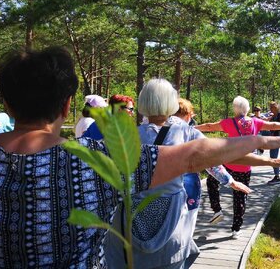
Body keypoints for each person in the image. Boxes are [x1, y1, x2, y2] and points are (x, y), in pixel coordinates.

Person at [0, 46, 280, 268]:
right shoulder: (93, 162)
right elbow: (199, 156)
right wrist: (265, 143)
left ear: (8, 104)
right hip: (166, 235)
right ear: (66, 106)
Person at [105, 82, 256, 269]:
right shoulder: (186, 132)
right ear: (171, 103)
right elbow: (213, 160)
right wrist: (230, 181)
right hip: (172, 225)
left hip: (128, 227)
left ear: (143, 102)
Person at [196, 96, 280, 238]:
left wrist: (192, 128)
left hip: (227, 163)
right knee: (240, 196)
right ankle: (236, 229)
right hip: (245, 165)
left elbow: (209, 126)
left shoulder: (228, 122)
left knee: (212, 181)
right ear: (247, 109)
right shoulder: (255, 122)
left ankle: (217, 210)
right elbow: (273, 126)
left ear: (234, 108)